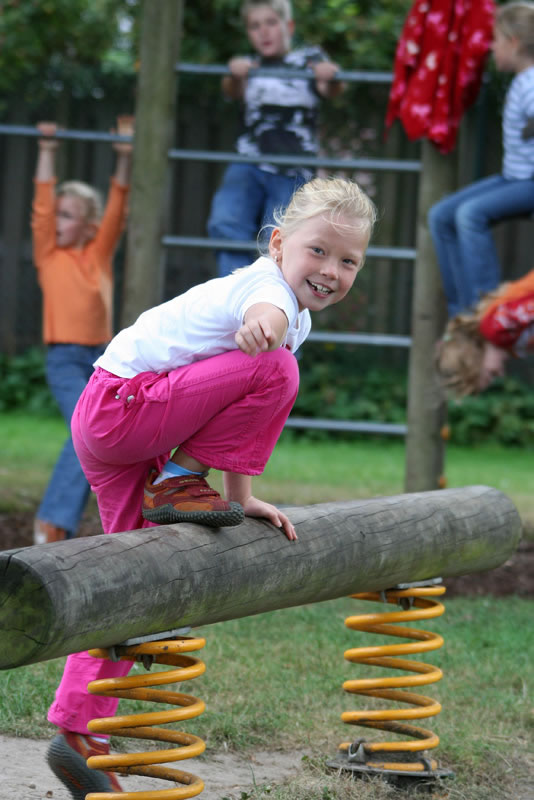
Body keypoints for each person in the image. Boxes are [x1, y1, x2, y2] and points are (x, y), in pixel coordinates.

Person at [45, 175, 377, 796]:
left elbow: (248, 388)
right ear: (279, 244)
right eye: (318, 251)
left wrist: (240, 493)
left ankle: (78, 734)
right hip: (120, 408)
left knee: (131, 580)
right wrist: (238, 493)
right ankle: (177, 479)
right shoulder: (264, 288)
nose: (331, 269)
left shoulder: (293, 312)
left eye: (348, 260)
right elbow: (264, 316)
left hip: (115, 422)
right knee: (277, 367)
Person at [32, 117, 134, 545]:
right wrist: (48, 150)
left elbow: (117, 207)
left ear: (89, 226)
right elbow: (40, 205)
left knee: (102, 434)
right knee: (83, 430)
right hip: (63, 359)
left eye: (69, 215)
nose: (57, 220)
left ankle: (63, 523)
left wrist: (124, 157)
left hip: (101, 358)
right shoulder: (47, 255)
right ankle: (52, 523)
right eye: (57, 213)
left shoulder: (98, 253)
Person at [207, 0, 344, 277]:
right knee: (226, 220)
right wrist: (234, 74)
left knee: (278, 234)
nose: (264, 32)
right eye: (255, 26)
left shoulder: (308, 61)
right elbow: (232, 89)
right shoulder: (250, 66)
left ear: (288, 26)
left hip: (292, 167)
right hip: (250, 160)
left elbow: (332, 87)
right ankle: (231, 293)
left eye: (271, 23)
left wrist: (330, 76)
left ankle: (269, 298)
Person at [428, 1, 534, 318]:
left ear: (514, 42)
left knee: (470, 214)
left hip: (528, 182)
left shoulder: (530, 83)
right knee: (441, 215)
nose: (491, 47)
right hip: (514, 177)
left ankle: (488, 309)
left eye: (496, 40)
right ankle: (463, 315)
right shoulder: (523, 81)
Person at [435, 268, 534, 395]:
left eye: (491, 374)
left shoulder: (495, 328)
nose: (500, 373)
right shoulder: (512, 344)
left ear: (475, 358)